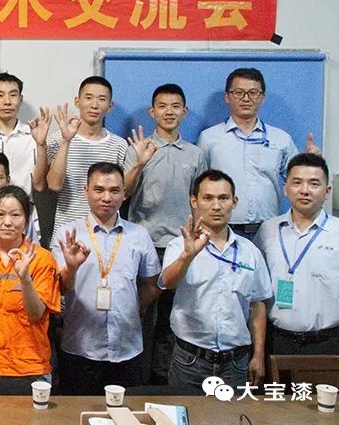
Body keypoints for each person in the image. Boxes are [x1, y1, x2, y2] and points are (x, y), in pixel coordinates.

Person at [51, 162, 160, 395]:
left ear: (124, 193)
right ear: (86, 191)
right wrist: (71, 267)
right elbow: (59, 288)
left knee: (126, 412)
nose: (107, 197)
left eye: (114, 190)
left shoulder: (139, 235)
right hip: (80, 347)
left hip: (127, 349)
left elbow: (152, 285)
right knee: (76, 412)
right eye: (99, 190)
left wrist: (133, 308)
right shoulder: (68, 234)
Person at [123, 83, 207, 384]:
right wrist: (139, 163)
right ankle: (138, 380)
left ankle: (164, 381)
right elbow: (123, 192)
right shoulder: (140, 148)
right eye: (162, 106)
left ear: (184, 111)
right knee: (141, 314)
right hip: (144, 244)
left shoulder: (196, 154)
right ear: (152, 111)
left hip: (180, 247)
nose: (169, 112)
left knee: (174, 317)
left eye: (175, 106)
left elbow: (202, 198)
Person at [160, 170, 271, 389]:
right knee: (184, 411)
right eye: (208, 198)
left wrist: (258, 354)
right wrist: (187, 255)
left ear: (234, 202)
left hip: (236, 363)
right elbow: (168, 283)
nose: (216, 206)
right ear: (194, 201)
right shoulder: (179, 246)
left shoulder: (250, 251)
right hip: (190, 359)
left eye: (223, 198)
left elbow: (257, 305)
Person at [197, 67, 319, 237]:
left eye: (253, 93)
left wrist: (312, 164)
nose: (246, 99)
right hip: (222, 228)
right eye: (239, 93)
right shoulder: (209, 138)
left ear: (262, 97)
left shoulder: (280, 138)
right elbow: (198, 186)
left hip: (269, 229)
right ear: (227, 97)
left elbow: (298, 181)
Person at [254, 153, 338, 355]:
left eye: (314, 183)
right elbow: (257, 291)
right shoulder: (267, 230)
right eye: (297, 182)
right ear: (285, 188)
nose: (304, 190)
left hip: (328, 342)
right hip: (277, 341)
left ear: (327, 191)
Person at [0, 186, 60, 382]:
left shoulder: (42, 259)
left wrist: (25, 279)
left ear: (26, 218)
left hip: (30, 367)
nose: (7, 222)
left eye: (15, 215)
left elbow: (36, 313)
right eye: (0, 215)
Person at [44, 76, 128, 241]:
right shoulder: (58, 139)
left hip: (108, 235)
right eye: (88, 98)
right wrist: (66, 141)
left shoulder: (119, 145)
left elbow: (123, 192)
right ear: (77, 101)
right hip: (67, 233)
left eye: (102, 99)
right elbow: (53, 185)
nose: (94, 105)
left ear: (110, 106)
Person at [0, 72, 51, 195]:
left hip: (24, 206)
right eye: (0, 95)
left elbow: (39, 186)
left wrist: (41, 144)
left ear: (20, 99)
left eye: (13, 95)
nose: (7, 101)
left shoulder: (34, 136)